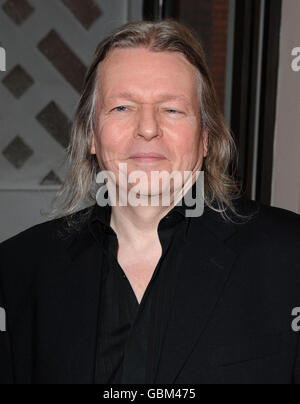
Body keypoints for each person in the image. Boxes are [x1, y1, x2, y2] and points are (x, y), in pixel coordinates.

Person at [0, 20, 299, 385]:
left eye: (172, 109)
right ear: (91, 135)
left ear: (206, 137)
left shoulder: (290, 258)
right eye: (122, 107)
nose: (147, 127)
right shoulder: (17, 270)